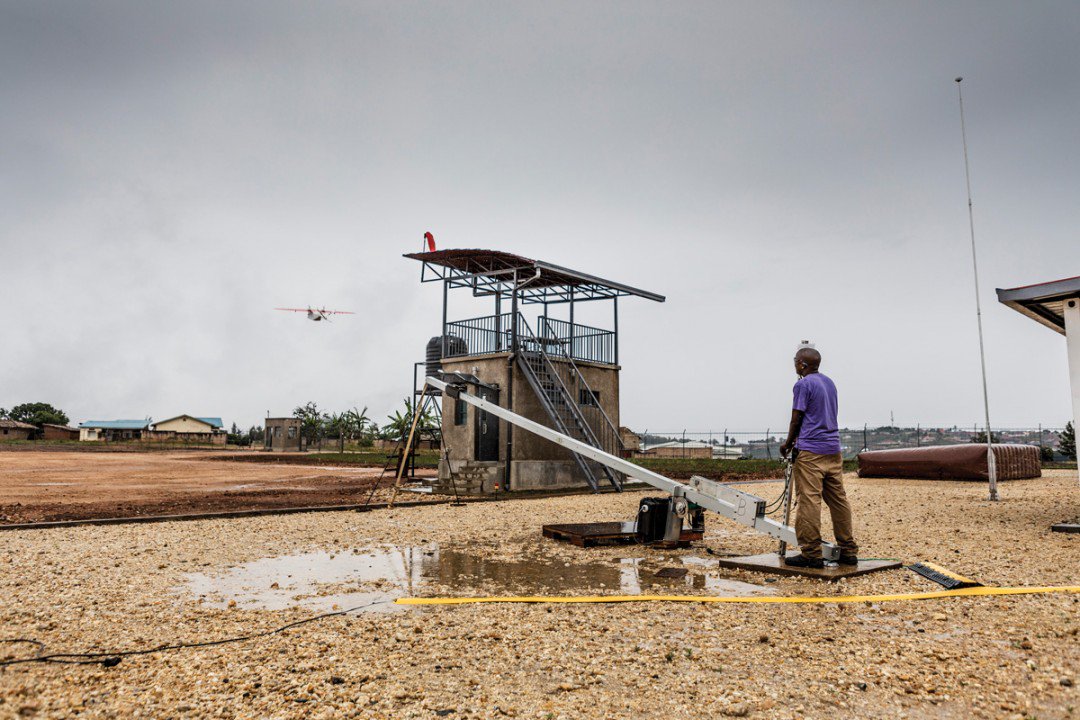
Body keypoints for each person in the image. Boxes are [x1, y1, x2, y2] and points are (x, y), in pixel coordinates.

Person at [778, 344, 858, 568]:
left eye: (795, 360)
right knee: (838, 500)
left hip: (811, 451)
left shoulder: (802, 385)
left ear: (802, 364)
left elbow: (797, 418)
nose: (794, 363)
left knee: (809, 501)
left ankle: (811, 553)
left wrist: (788, 443)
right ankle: (849, 550)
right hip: (833, 450)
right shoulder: (829, 383)